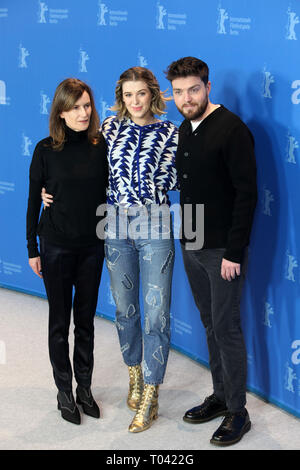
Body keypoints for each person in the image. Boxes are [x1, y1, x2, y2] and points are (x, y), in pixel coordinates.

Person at [43, 66, 178, 433]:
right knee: (124, 310)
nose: (135, 101)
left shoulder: (170, 133)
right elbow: (79, 168)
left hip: (155, 224)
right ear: (121, 98)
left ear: (153, 94)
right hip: (115, 225)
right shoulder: (108, 132)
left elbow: (185, 177)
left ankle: (151, 392)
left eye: (142, 94)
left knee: (156, 314)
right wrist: (48, 190)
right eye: (129, 95)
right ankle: (134, 373)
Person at [165, 57, 257, 446]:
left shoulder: (232, 129)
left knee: (226, 327)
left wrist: (234, 252)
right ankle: (220, 396)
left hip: (222, 249)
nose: (186, 98)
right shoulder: (185, 128)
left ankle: (238, 411)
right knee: (209, 323)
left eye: (194, 89)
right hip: (191, 243)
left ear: (207, 87)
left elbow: (246, 195)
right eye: (179, 92)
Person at [26, 78, 108, 425]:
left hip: (93, 246)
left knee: (86, 322)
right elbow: (33, 200)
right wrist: (32, 247)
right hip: (56, 246)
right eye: (75, 107)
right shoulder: (45, 150)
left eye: (87, 106)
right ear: (60, 111)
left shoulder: (102, 145)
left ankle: (84, 388)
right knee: (59, 323)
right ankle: (64, 390)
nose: (83, 113)